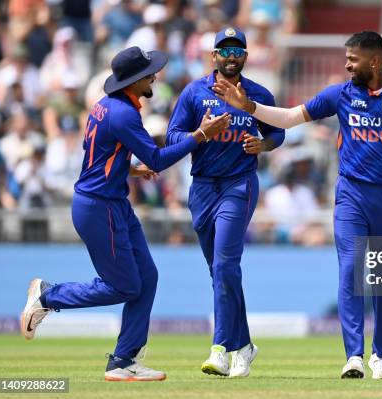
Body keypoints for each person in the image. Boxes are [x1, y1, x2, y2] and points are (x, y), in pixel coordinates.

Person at [214, 31, 382, 379]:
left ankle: (381, 356)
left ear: (374, 61)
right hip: (351, 195)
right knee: (350, 269)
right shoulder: (340, 94)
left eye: (352, 59)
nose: (347, 64)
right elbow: (292, 117)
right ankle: (353, 355)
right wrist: (250, 107)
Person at [20, 46, 230, 381]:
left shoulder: (106, 107)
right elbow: (159, 160)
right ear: (134, 81)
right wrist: (202, 134)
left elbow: (98, 154)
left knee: (147, 278)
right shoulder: (123, 114)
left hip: (112, 201)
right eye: (149, 74)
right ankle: (48, 294)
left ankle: (124, 360)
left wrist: (128, 170)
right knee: (124, 286)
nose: (154, 77)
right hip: (99, 207)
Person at [166, 27, 285, 378]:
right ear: (214, 56)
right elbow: (172, 135)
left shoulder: (258, 93)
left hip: (239, 183)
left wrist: (262, 146)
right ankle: (245, 346)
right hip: (202, 187)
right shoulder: (194, 92)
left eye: (238, 52)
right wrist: (200, 133)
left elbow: (277, 131)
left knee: (224, 266)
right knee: (221, 272)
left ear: (246, 57)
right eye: (224, 51)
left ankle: (220, 348)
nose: (231, 57)